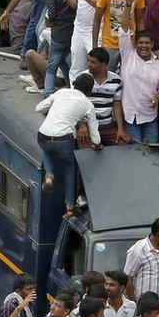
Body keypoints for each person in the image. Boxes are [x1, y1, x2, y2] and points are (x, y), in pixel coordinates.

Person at [35, 72, 101, 217]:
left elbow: (38, 108)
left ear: (74, 84)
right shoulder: (87, 104)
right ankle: (70, 206)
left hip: (43, 135)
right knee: (70, 167)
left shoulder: (62, 92)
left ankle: (49, 174)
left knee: (46, 148)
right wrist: (96, 145)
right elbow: (95, 136)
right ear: (89, 91)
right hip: (63, 140)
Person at [118, 28, 159, 143]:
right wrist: (128, 8)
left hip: (150, 117)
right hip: (130, 117)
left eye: (147, 43)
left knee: (151, 152)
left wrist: (157, 98)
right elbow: (124, 32)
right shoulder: (128, 55)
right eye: (140, 42)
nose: (144, 46)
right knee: (136, 153)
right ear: (135, 44)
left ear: (152, 44)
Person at [43, 0, 78, 96]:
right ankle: (71, 88)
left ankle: (47, 94)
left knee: (52, 66)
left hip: (58, 31)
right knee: (62, 59)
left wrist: (48, 22)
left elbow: (51, 13)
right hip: (74, 30)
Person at [124, 218, 159, 299]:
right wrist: (134, 304)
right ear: (158, 235)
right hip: (147, 307)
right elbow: (128, 278)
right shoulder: (138, 250)